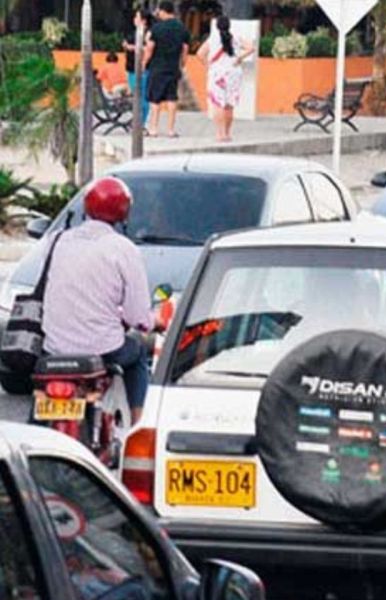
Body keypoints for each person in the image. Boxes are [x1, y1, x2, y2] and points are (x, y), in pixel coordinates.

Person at [42, 177, 154, 424]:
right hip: (105, 350)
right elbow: (139, 317)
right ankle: (139, 427)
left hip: (54, 348)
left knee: (41, 392)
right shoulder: (123, 249)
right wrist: (149, 323)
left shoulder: (57, 241)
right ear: (124, 212)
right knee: (138, 355)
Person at [197, 16, 254, 142]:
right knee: (229, 105)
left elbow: (200, 54)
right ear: (229, 25)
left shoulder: (213, 39)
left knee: (218, 104)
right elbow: (251, 47)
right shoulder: (235, 38)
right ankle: (227, 134)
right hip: (234, 73)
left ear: (217, 26)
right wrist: (239, 58)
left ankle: (220, 133)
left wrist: (208, 65)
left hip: (218, 74)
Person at [144, 1, 190, 138]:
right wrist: (181, 64)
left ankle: (153, 128)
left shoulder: (157, 29)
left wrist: (144, 62)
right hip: (173, 68)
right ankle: (170, 130)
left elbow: (150, 49)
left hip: (157, 68)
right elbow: (185, 50)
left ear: (163, 11)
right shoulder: (182, 28)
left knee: (155, 100)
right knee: (171, 98)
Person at [122, 9, 152, 123]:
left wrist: (132, 47)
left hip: (141, 69)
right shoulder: (134, 32)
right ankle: (137, 120)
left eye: (137, 17)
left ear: (143, 20)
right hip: (131, 68)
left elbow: (148, 48)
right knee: (136, 95)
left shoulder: (147, 33)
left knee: (142, 96)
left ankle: (141, 122)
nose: (134, 19)